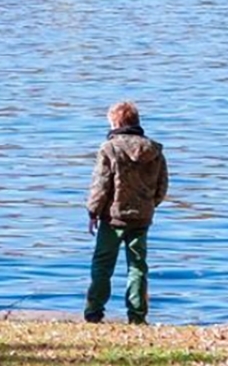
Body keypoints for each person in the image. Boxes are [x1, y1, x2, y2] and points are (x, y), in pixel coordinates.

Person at [84, 101, 169, 324]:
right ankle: (137, 315)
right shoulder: (154, 150)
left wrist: (93, 211)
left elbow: (101, 184)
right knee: (138, 266)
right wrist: (150, 205)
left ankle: (94, 311)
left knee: (103, 264)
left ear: (116, 122)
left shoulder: (109, 148)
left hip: (113, 218)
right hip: (142, 217)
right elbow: (162, 186)